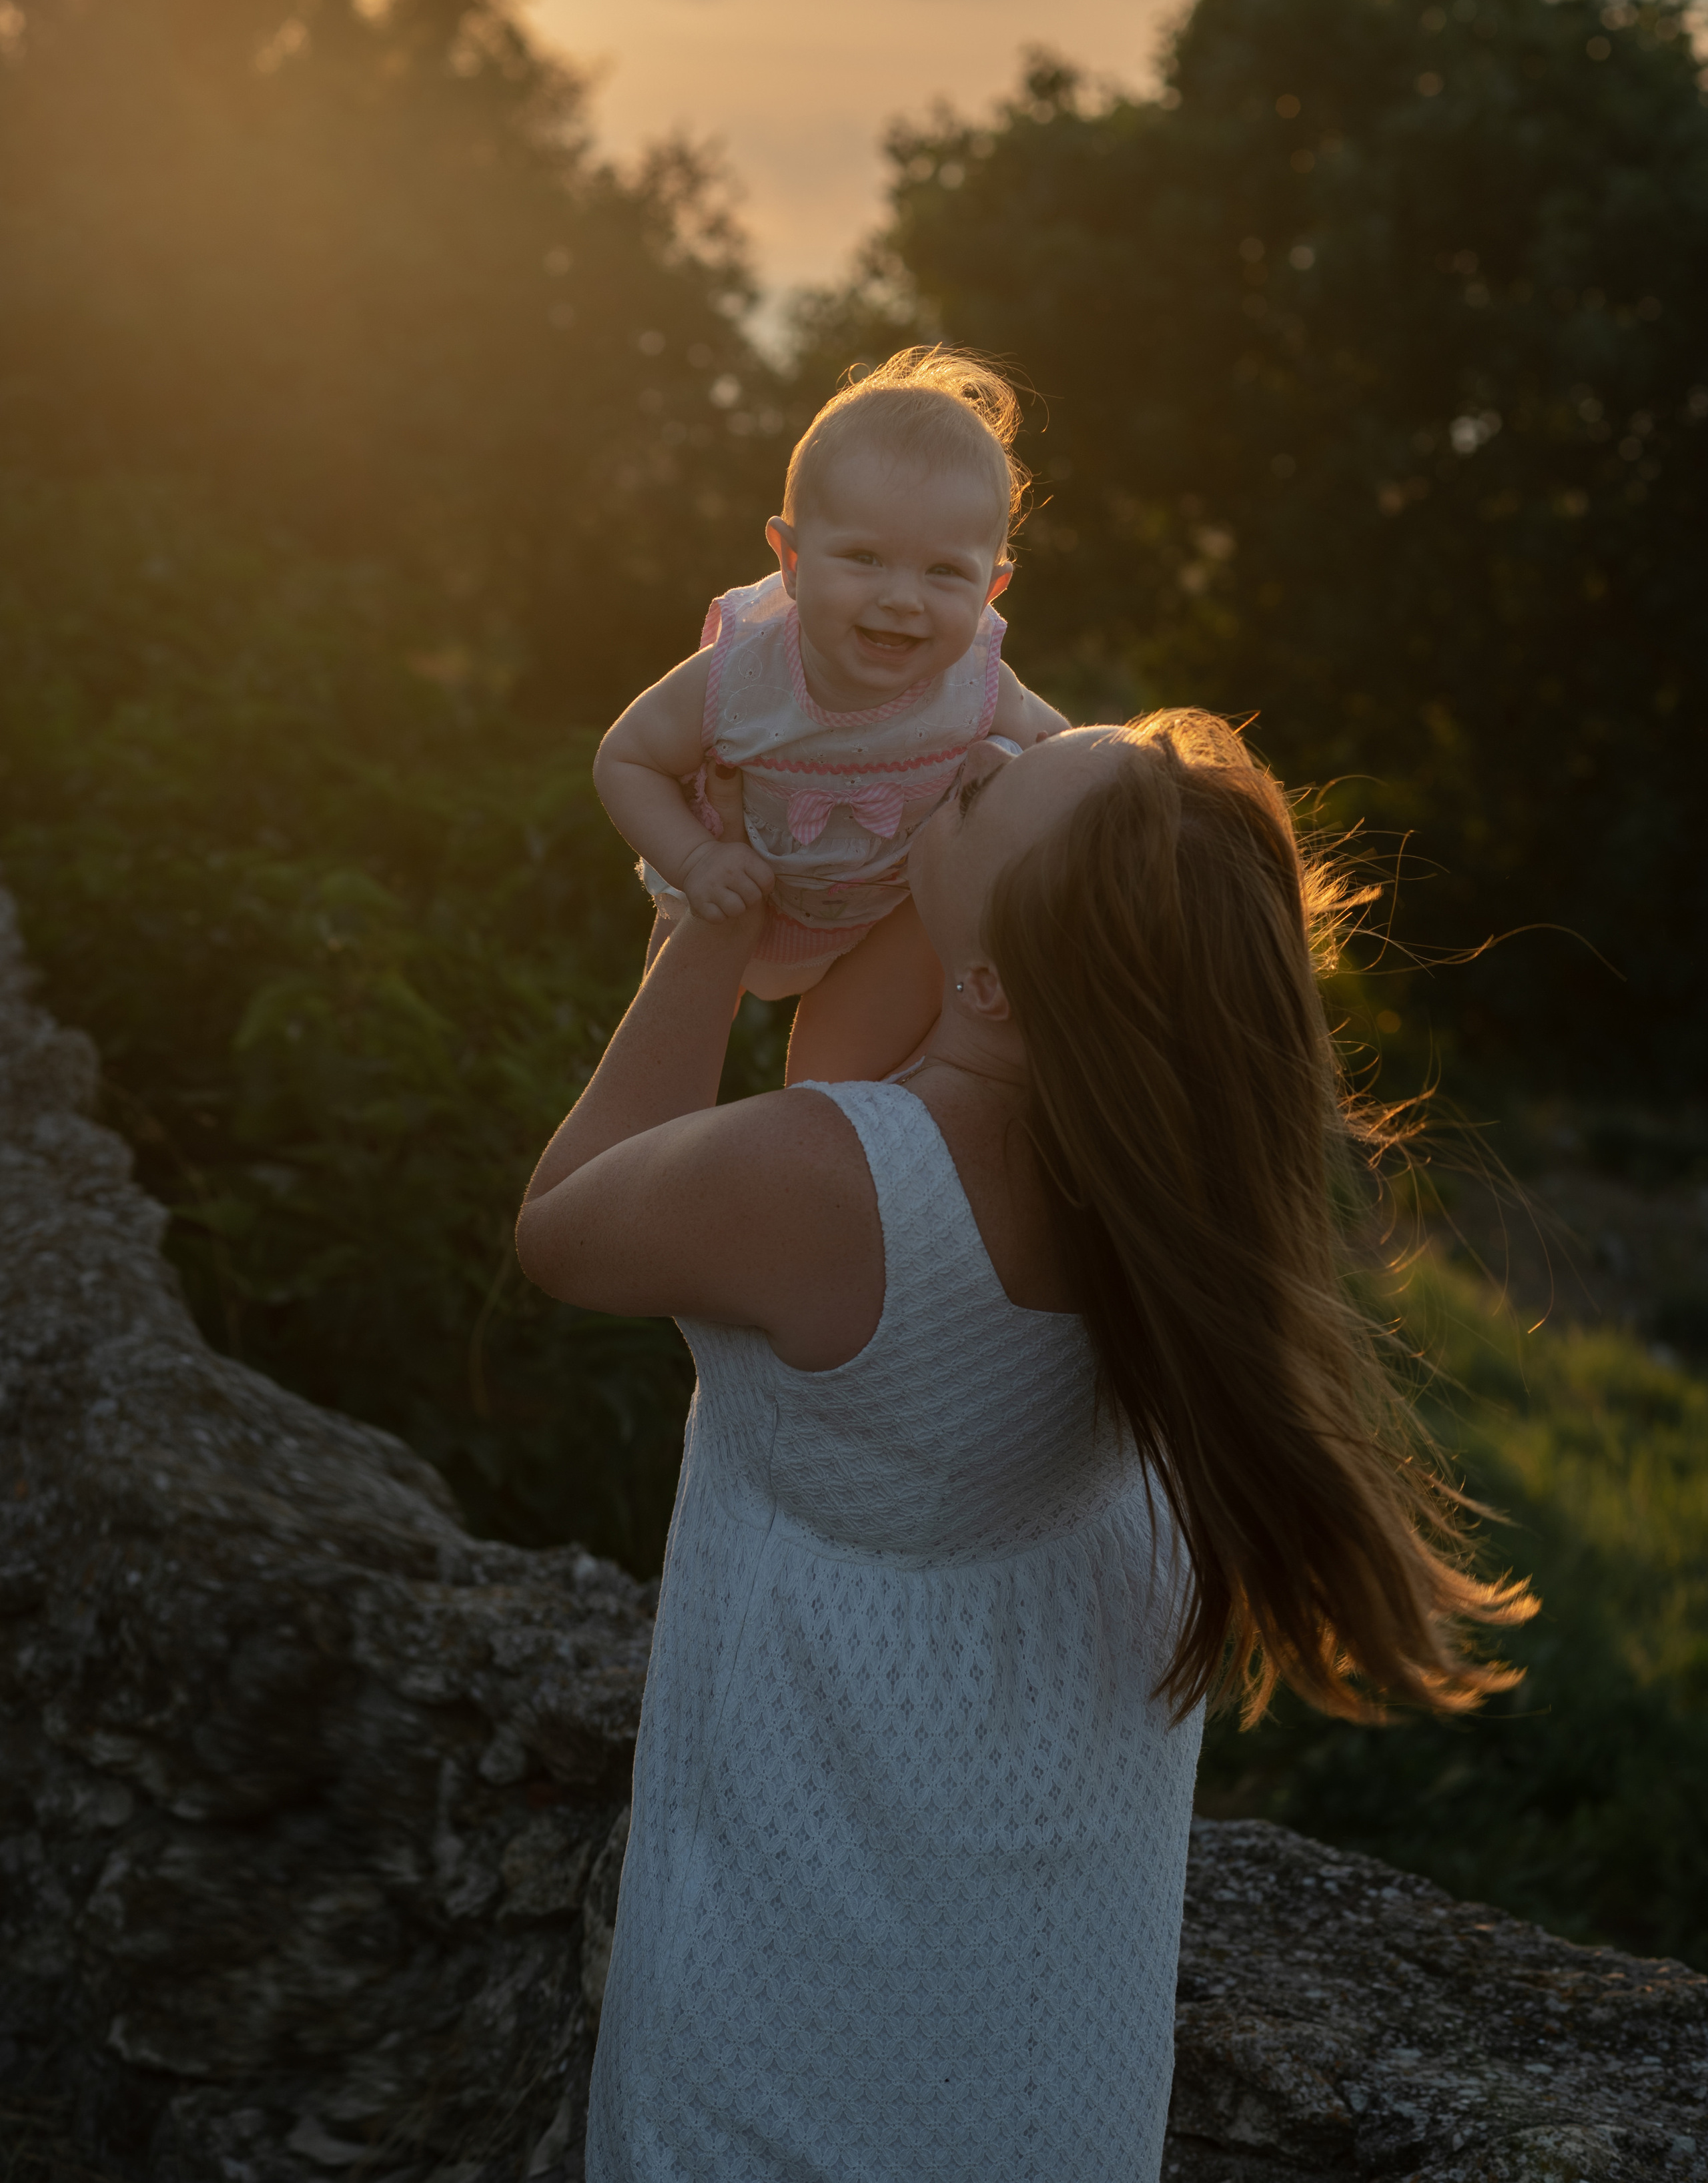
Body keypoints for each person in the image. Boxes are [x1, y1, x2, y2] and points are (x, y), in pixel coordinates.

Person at [517, 709, 1533, 2183]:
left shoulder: (817, 1184)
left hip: (790, 2041)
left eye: (991, 780)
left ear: (994, 986)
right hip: (1036, 2074)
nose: (978, 755)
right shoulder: (1166, 1208)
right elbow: (875, 1036)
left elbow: (564, 1222)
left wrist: (710, 917)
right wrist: (946, 764)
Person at [593, 346, 1065, 1084]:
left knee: (839, 1089)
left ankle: (816, 1128)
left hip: (879, 926)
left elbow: (1061, 754)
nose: (902, 598)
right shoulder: (743, 674)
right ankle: (654, 1142)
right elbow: (625, 759)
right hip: (720, 897)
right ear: (791, 560)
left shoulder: (975, 685)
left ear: (990, 592)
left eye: (944, 571)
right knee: (660, 1073)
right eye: (865, 558)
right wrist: (695, 860)